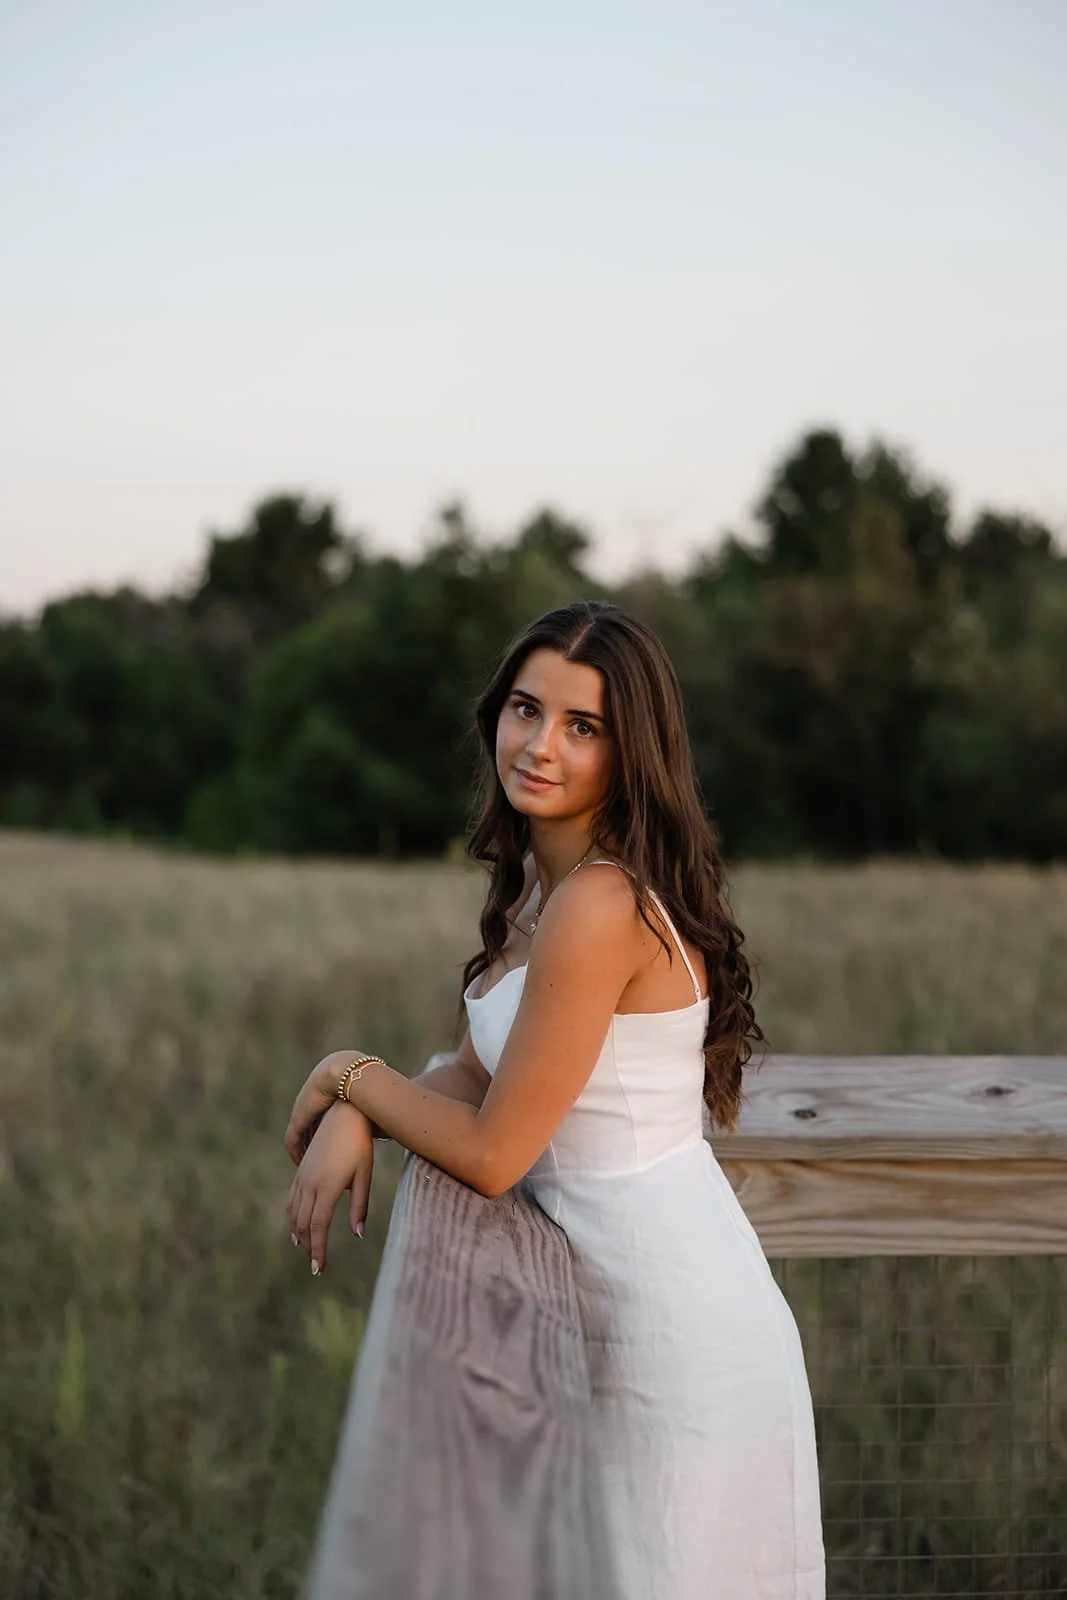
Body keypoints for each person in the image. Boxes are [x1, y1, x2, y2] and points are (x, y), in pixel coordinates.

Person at [285, 600, 826, 1599]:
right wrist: (366, 1106)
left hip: (673, 1330)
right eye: (526, 709)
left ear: (632, 753)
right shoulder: (549, 882)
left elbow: (491, 1152)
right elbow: (470, 1074)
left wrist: (346, 1073)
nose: (539, 745)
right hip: (617, 1303)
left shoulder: (601, 901)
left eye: (583, 726)